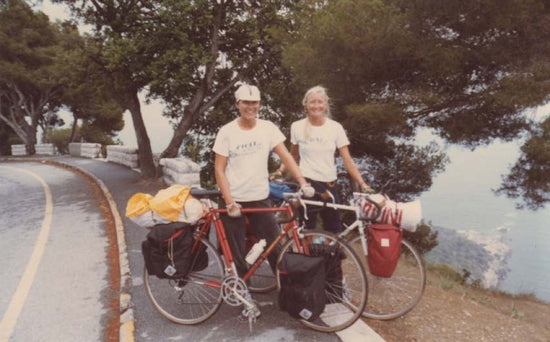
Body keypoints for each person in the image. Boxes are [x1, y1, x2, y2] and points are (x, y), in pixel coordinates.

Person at [213, 83, 313, 278]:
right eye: (246, 103)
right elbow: (219, 168)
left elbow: (287, 157)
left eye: (255, 103)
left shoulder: (268, 128)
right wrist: (229, 201)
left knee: (275, 246)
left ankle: (285, 289)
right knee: (237, 253)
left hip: (260, 197)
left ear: (259, 104)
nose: (251, 107)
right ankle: (243, 294)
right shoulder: (227, 131)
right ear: (237, 104)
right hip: (234, 199)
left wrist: (303, 182)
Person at [276, 85, 373, 233]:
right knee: (307, 229)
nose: (316, 106)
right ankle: (307, 256)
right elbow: (292, 155)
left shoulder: (335, 128)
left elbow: (347, 160)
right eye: (312, 102)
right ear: (306, 105)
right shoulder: (297, 126)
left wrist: (363, 184)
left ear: (325, 105)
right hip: (307, 183)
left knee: (334, 231)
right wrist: (279, 171)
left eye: (320, 102)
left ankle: (330, 256)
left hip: (330, 184)